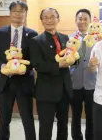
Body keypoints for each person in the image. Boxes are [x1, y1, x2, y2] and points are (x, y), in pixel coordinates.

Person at [0, 0, 37, 140]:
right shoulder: (0, 32)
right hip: (5, 82)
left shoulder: (32, 34)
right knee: (4, 120)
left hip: (24, 82)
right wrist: (2, 66)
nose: (18, 14)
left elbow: (34, 58)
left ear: (25, 14)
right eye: (15, 11)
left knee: (27, 119)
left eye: (21, 11)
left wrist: (26, 68)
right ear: (10, 13)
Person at [29, 8, 73, 140]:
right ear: (42, 21)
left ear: (58, 19)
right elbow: (38, 65)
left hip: (64, 91)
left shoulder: (65, 38)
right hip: (46, 92)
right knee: (46, 127)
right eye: (46, 17)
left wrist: (73, 61)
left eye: (52, 17)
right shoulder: (36, 41)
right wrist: (59, 65)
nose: (49, 20)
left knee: (63, 125)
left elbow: (72, 57)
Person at [69, 9, 96, 140]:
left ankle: (90, 137)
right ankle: (76, 137)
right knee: (75, 115)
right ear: (76, 21)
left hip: (92, 83)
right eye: (80, 19)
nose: (82, 21)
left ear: (90, 21)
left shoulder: (98, 39)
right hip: (75, 83)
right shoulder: (69, 39)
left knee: (91, 115)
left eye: (85, 19)